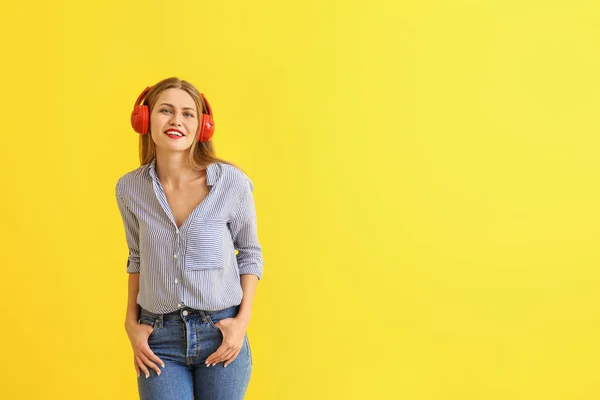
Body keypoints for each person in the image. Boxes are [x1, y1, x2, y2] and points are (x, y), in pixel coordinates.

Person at [115, 76, 264, 400]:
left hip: (220, 333)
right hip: (159, 339)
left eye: (187, 114)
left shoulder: (232, 184)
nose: (176, 121)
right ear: (144, 120)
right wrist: (131, 325)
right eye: (166, 111)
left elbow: (250, 253)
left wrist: (241, 323)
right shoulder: (130, 189)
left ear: (202, 127)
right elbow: (137, 256)